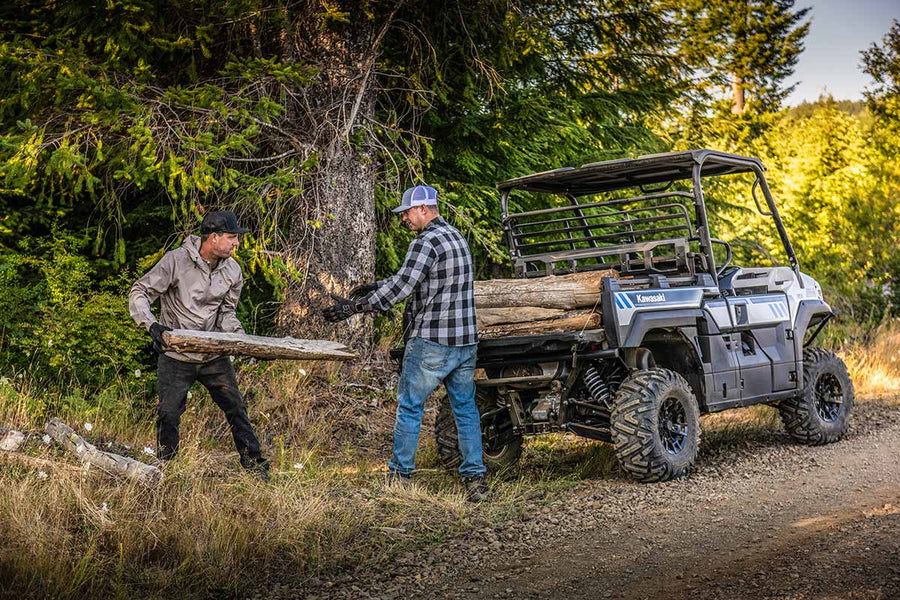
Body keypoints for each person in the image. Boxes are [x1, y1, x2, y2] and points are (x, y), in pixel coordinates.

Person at [323, 185, 488, 502]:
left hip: (432, 342)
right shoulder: (457, 238)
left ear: (424, 209)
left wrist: (356, 307)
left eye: (407, 212)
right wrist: (374, 288)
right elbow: (416, 279)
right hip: (465, 342)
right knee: (465, 410)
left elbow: (402, 287)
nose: (404, 219)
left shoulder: (425, 242)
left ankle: (399, 478)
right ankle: (475, 481)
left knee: (410, 407)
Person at [128, 210, 269, 480]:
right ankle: (165, 471)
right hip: (177, 354)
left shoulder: (233, 270)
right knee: (168, 413)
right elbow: (140, 291)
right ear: (213, 238)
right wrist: (151, 324)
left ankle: (257, 470)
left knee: (236, 409)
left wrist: (245, 343)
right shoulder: (176, 261)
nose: (236, 243)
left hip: (212, 355)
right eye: (231, 237)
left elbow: (227, 315)